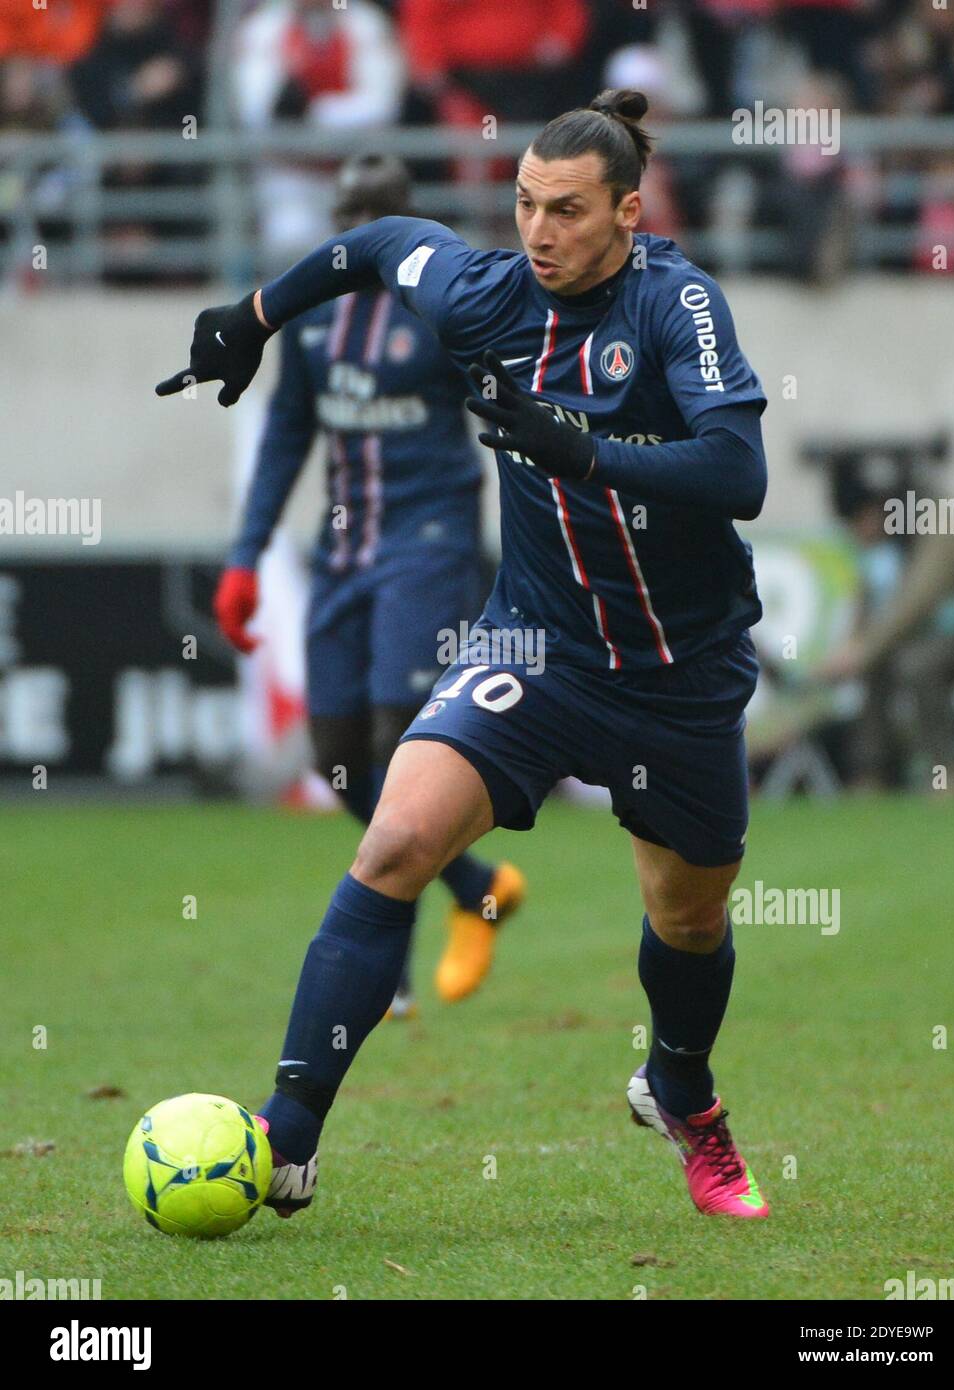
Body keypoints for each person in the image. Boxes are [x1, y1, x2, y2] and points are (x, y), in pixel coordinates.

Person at [158, 88, 771, 1220]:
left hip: (681, 674)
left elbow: (737, 473)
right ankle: (285, 1138)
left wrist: (579, 450)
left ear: (627, 213)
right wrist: (253, 311)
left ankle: (679, 1088)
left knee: (687, 919)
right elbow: (380, 244)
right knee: (394, 836)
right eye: (526, 205)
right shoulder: (486, 293)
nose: (540, 232)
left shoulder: (678, 303)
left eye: (570, 211)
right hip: (536, 649)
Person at [213, 153, 526, 1017]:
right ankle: (476, 887)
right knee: (336, 757)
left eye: (371, 211)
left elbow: (510, 417)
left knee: (400, 743)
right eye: (344, 208)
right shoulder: (312, 325)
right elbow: (284, 437)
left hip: (429, 543)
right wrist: (245, 555)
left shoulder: (443, 312)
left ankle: (385, 965)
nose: (353, 224)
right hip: (345, 549)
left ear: (400, 217)